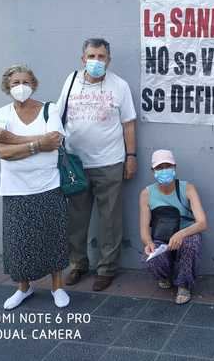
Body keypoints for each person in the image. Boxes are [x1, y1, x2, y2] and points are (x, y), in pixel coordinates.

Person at [56, 38, 138, 292]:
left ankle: (106, 269)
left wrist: (131, 156)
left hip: (110, 162)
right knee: (76, 219)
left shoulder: (119, 86)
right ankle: (77, 264)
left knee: (110, 220)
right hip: (75, 164)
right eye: (91, 56)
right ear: (83, 59)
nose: (96, 61)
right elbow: (59, 118)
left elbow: (129, 124)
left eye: (101, 57)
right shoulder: (70, 81)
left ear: (108, 60)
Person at [0, 65, 70, 310]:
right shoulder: (0, 114)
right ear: (7, 86)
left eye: (25, 81)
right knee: (19, 241)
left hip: (49, 185)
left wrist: (14, 140)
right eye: (15, 83)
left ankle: (58, 287)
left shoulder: (50, 109)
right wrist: (38, 143)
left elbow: (55, 141)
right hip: (15, 188)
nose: (20, 87)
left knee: (52, 236)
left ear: (34, 84)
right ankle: (24, 288)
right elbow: (2, 152)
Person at [139, 149, 208, 304]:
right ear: (153, 171)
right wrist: (148, 243)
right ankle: (165, 275)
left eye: (167, 166)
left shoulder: (187, 188)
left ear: (174, 167)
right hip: (162, 237)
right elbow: (144, 230)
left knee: (191, 244)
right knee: (148, 258)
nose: (164, 171)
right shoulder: (146, 194)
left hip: (186, 234)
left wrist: (181, 234)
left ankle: (184, 284)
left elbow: (202, 223)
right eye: (159, 168)